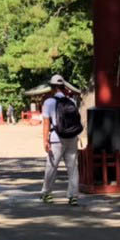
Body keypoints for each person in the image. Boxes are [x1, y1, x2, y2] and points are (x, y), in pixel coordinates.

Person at [40, 76, 82, 206]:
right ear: (63, 88)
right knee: (73, 167)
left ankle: (47, 193)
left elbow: (46, 123)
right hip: (72, 138)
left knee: (52, 166)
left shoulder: (48, 102)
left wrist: (45, 140)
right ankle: (73, 195)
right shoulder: (72, 102)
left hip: (56, 138)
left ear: (53, 88)